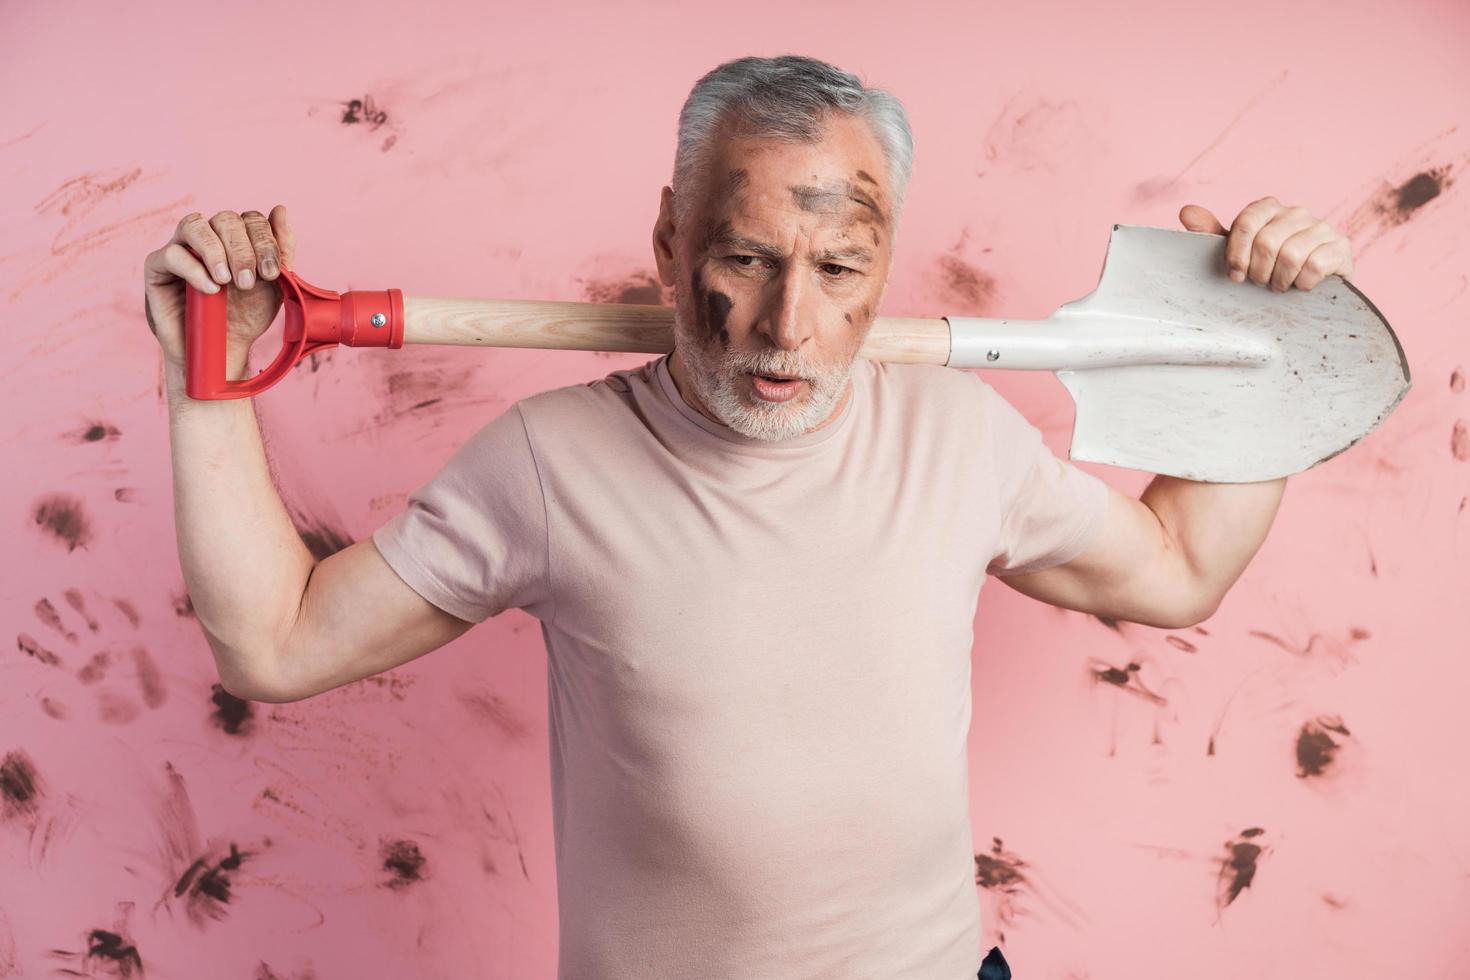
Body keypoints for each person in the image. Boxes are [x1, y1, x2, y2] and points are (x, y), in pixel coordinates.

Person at [144, 53, 1352, 980]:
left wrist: (1285, 333)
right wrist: (210, 377)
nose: (787, 328)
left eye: (837, 268)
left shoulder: (957, 431)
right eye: (745, 258)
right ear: (671, 239)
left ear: (887, 262)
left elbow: (1181, 568)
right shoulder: (552, 462)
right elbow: (275, 641)